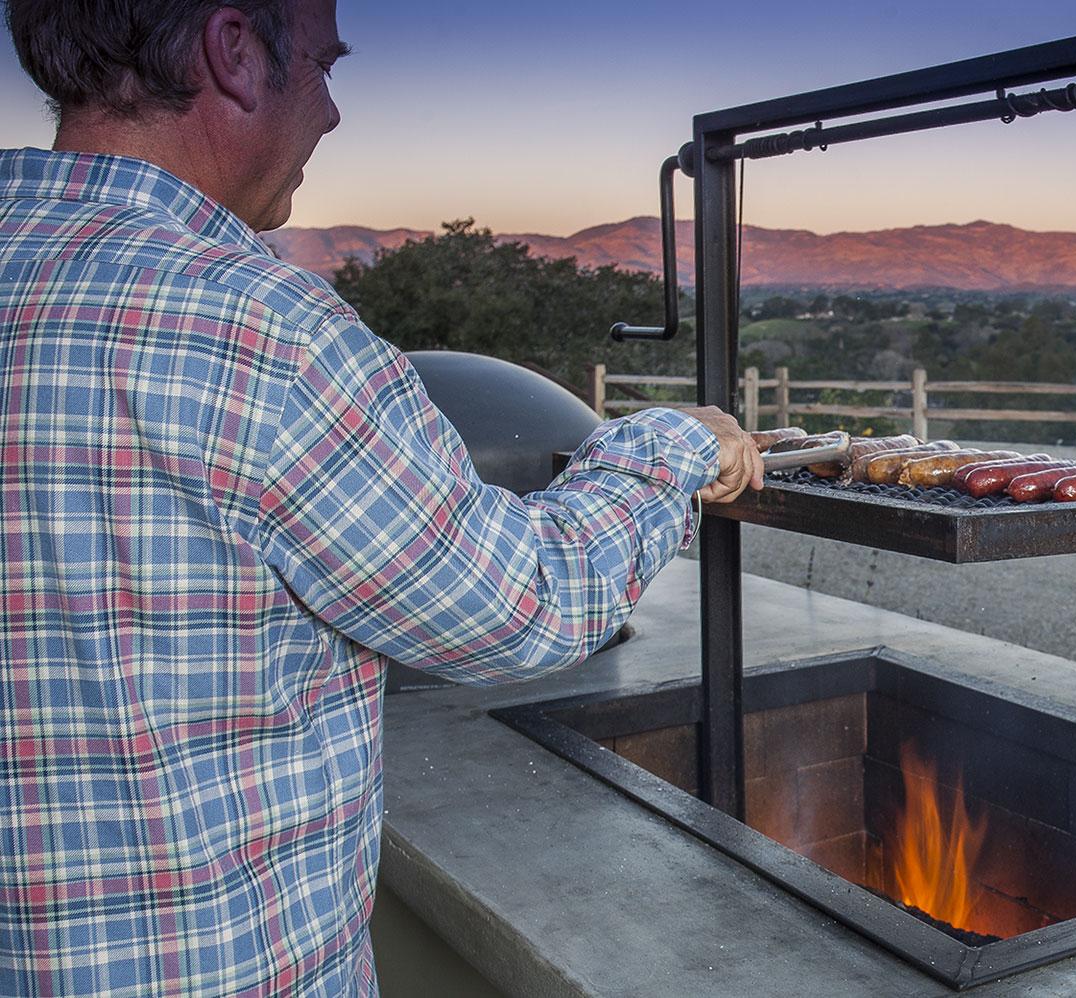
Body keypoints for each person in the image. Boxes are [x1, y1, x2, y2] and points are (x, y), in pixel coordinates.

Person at [0, 0, 764, 994]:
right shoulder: (259, 330)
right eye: (322, 66)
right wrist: (675, 441)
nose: (332, 112)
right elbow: (526, 599)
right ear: (234, 51)